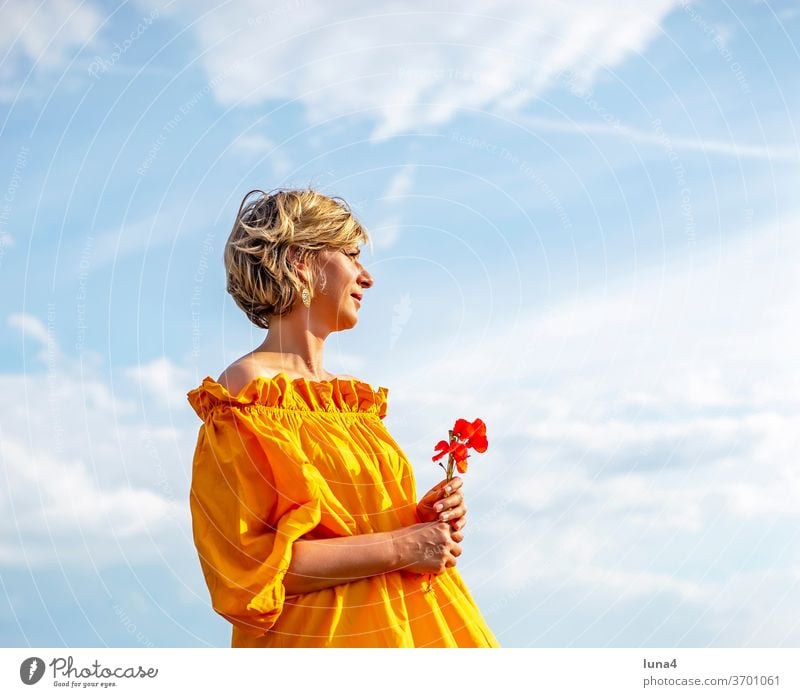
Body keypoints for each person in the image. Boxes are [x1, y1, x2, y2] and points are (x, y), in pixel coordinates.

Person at [187, 188, 499, 648]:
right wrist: (406, 546)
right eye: (351, 255)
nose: (366, 276)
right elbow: (246, 569)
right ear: (300, 261)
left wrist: (421, 520)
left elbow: (355, 531)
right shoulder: (242, 398)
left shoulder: (355, 404)